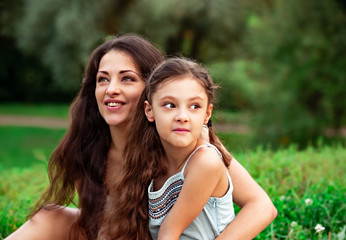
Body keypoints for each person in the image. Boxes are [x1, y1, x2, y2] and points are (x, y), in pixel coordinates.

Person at [6, 34, 277, 240]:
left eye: (127, 79)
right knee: (50, 217)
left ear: (153, 89)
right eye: (103, 79)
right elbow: (102, 228)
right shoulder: (88, 148)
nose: (111, 89)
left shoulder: (185, 144)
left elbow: (262, 206)